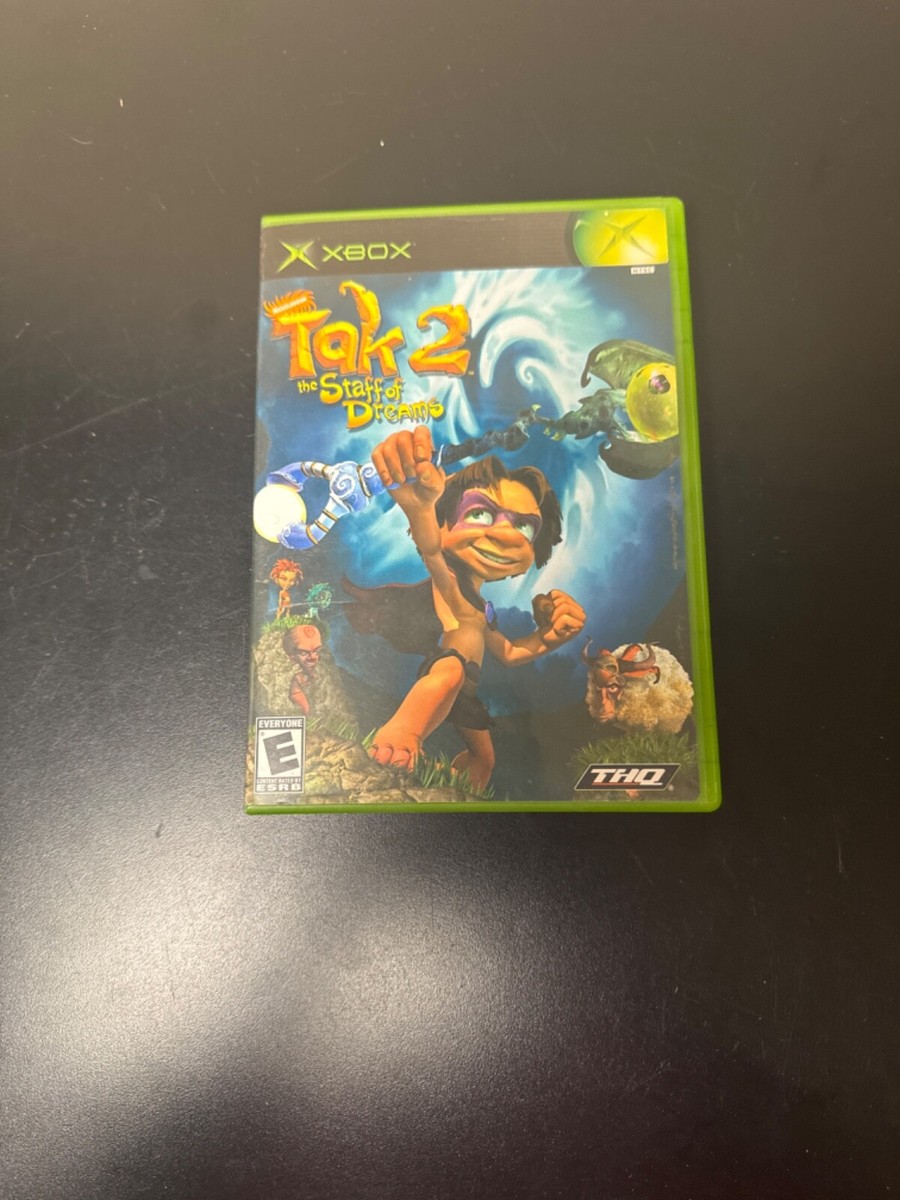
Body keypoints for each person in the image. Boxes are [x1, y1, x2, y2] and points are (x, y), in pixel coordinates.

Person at [366, 425, 585, 789]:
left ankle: (459, 791)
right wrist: (420, 509)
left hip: (467, 688)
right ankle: (400, 733)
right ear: (443, 521)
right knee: (449, 673)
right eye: (480, 513)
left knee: (484, 757)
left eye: (525, 528)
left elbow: (509, 653)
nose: (505, 535)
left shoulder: (483, 608)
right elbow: (431, 550)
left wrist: (551, 638)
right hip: (448, 665)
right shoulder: (449, 580)